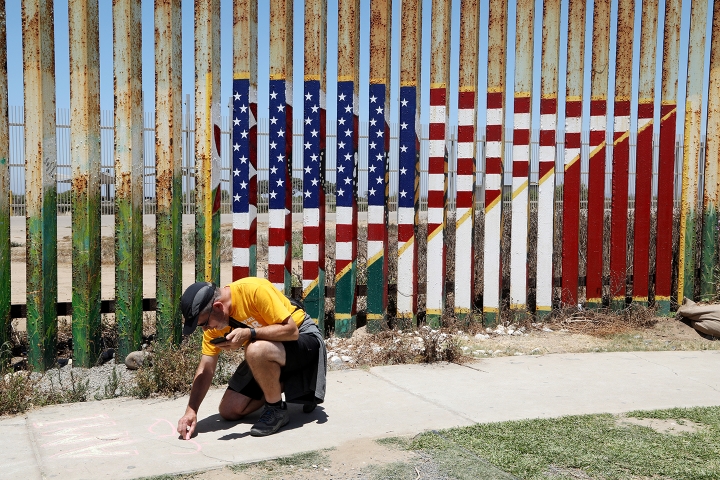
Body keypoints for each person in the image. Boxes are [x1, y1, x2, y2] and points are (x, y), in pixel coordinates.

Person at [176, 277, 326, 438]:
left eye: (204, 323)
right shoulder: (214, 323)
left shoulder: (253, 291)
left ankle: (276, 409)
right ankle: (295, 384)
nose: (205, 330)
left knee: (254, 349)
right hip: (270, 351)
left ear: (218, 307)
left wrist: (250, 333)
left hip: (303, 338)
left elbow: (291, 331)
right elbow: (206, 368)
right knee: (229, 410)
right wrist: (191, 410)